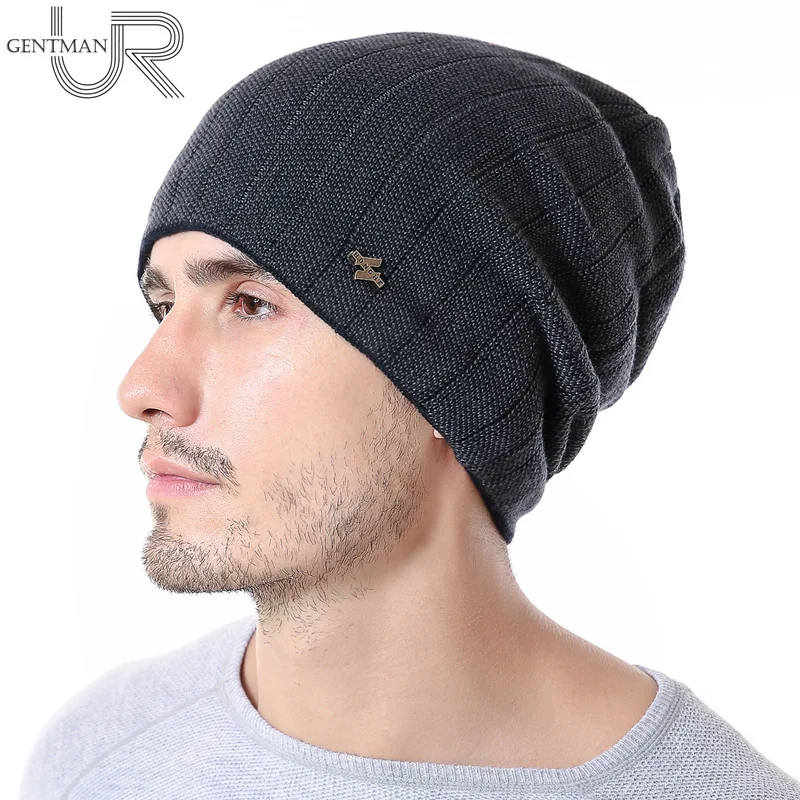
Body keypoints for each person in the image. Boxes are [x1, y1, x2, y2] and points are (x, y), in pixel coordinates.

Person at [20, 31, 800, 799]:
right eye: (164, 305)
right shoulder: (101, 755)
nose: (142, 387)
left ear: (458, 380)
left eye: (250, 304)